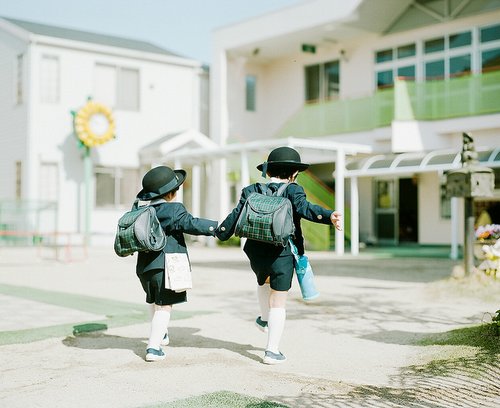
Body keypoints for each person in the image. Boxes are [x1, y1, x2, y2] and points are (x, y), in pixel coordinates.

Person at [215, 146, 342, 365]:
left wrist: (221, 233)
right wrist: (329, 216)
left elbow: (236, 215)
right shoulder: (293, 190)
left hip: (255, 250)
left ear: (269, 170)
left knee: (264, 283)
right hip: (282, 250)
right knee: (279, 299)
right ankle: (272, 351)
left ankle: (264, 320)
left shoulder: (251, 189)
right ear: (293, 173)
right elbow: (305, 209)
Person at [135, 166, 218, 362]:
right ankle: (153, 348)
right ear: (171, 193)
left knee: (154, 301)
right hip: (167, 266)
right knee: (165, 306)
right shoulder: (173, 209)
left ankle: (160, 334)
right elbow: (191, 224)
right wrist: (217, 228)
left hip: (145, 268)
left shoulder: (141, 210)